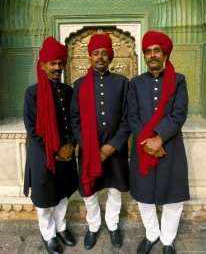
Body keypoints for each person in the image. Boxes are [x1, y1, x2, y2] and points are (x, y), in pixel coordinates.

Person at [128, 30, 190, 254]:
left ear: (164, 53)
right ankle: (151, 233)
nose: (152, 55)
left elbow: (179, 114)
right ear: (144, 56)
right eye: (147, 51)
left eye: (156, 50)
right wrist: (147, 141)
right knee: (144, 195)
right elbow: (131, 116)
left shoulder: (179, 80)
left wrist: (160, 137)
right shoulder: (135, 83)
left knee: (172, 197)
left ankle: (167, 240)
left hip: (170, 146)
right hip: (143, 147)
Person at [70, 33, 130, 250]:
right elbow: (74, 119)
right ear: (90, 56)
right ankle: (94, 226)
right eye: (96, 53)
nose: (100, 57)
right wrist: (88, 146)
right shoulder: (79, 85)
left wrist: (111, 146)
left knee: (115, 190)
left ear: (111, 57)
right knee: (89, 191)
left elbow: (128, 118)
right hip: (89, 150)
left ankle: (112, 225)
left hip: (115, 150)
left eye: (105, 53)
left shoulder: (123, 83)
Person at [23, 36, 78, 254]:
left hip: (67, 152)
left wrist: (71, 145)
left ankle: (62, 227)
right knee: (45, 199)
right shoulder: (33, 93)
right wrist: (55, 150)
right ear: (43, 64)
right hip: (43, 154)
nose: (57, 67)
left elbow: (74, 122)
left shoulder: (68, 91)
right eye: (52, 63)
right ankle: (49, 234)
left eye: (60, 63)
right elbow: (32, 128)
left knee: (63, 193)